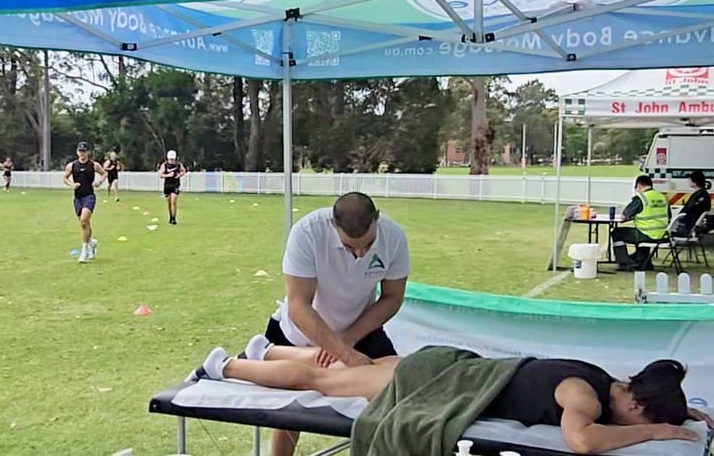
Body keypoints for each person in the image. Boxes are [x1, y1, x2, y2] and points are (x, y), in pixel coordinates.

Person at [192, 339, 714, 455]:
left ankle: (268, 348)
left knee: (360, 370)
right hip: (437, 381)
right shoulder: (587, 396)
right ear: (637, 405)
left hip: (447, 365)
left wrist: (681, 409)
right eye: (639, 416)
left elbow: (639, 399)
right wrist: (658, 430)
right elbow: (580, 441)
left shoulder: (610, 377)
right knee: (325, 384)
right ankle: (227, 365)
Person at [262, 192, 409, 456]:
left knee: (392, 393)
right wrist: (342, 353)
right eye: (351, 247)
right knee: (290, 412)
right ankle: (252, 357)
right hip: (301, 330)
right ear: (333, 225)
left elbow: (392, 297)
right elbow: (299, 306)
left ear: (377, 218)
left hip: (361, 328)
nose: (360, 253)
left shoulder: (394, 237)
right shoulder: (307, 233)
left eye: (367, 244)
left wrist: (348, 341)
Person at [611, 175, 670, 271]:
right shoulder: (662, 197)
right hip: (663, 235)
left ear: (639, 185)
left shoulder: (641, 198)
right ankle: (643, 262)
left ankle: (624, 263)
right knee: (638, 234)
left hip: (646, 234)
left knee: (616, 233)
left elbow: (623, 217)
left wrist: (630, 217)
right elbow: (668, 216)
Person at [63, 142, 106, 263]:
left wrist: (99, 182)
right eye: (80, 151)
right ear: (77, 152)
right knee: (84, 224)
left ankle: (84, 252)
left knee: (84, 219)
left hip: (89, 196)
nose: (82, 153)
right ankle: (91, 243)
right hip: (78, 198)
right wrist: (72, 185)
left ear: (88, 152)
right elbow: (65, 178)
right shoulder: (72, 166)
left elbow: (104, 173)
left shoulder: (93, 165)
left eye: (84, 151)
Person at [674, 170, 711, 237]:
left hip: (687, 227)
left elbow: (690, 209)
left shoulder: (699, 195)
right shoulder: (702, 194)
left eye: (689, 180)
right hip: (691, 226)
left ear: (695, 182)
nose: (688, 182)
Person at [158, 150, 185, 225]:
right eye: (170, 159)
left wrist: (180, 175)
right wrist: (168, 175)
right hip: (167, 185)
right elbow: (160, 175)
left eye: (173, 159)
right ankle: (170, 217)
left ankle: (174, 218)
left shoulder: (178, 164)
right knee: (169, 203)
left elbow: (183, 171)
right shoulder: (165, 165)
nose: (172, 161)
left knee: (173, 201)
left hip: (175, 184)